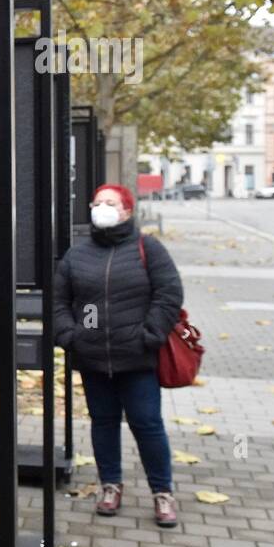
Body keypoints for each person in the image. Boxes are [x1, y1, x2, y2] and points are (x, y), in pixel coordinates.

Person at [54, 183, 184, 527]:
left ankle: (162, 492)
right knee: (104, 423)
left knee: (148, 424)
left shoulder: (148, 248)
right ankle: (109, 486)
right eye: (96, 202)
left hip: (137, 358)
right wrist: (70, 336)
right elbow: (59, 302)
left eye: (109, 203)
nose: (101, 208)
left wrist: (150, 335)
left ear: (126, 210)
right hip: (93, 358)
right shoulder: (76, 255)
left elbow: (169, 293)